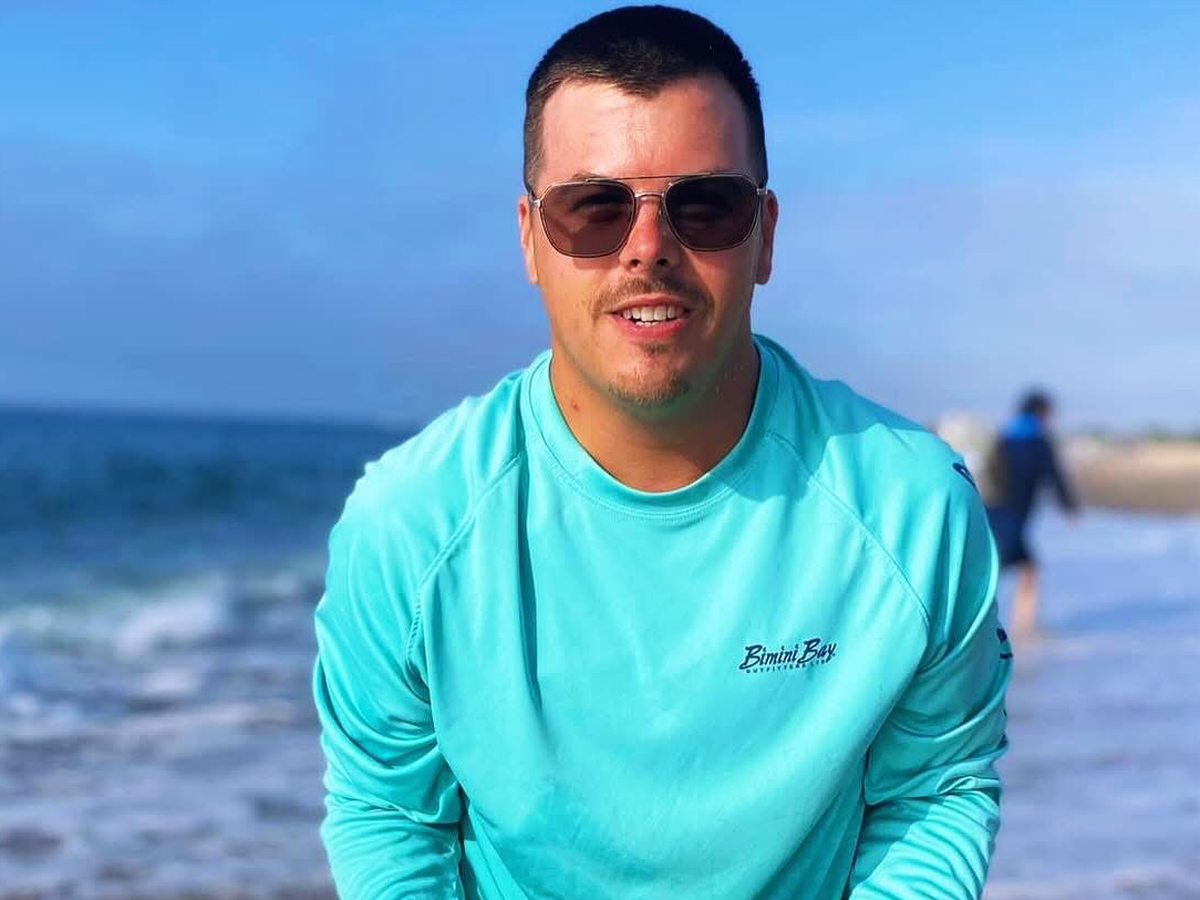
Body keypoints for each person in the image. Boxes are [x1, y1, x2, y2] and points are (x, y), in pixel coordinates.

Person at [312, 7, 1012, 898]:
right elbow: (389, 813)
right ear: (530, 237)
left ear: (764, 234)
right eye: (594, 209)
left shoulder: (912, 508)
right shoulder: (411, 523)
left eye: (705, 206)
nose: (648, 250)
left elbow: (936, 789)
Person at [985, 390, 1079, 640]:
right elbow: (1055, 476)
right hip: (1013, 518)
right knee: (1020, 571)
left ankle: (1019, 629)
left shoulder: (1004, 438)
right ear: (1041, 412)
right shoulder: (1040, 443)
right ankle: (1022, 631)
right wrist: (1069, 508)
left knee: (1012, 569)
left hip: (994, 512)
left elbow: (990, 474)